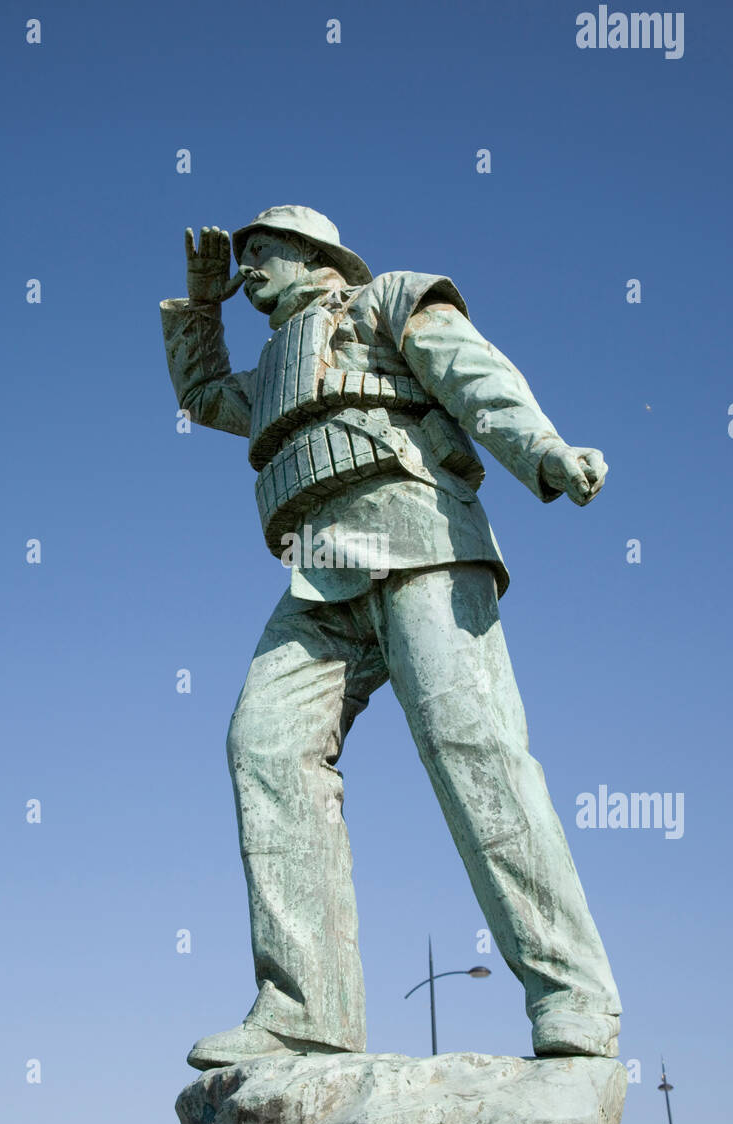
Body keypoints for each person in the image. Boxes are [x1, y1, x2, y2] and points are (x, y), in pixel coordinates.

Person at [160, 206, 622, 1069]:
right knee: (264, 746)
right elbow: (199, 396)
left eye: (264, 252)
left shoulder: (390, 301)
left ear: (317, 258)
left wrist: (545, 452)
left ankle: (575, 1000)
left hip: (421, 541)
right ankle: (307, 1011)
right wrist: (200, 306)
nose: (247, 265)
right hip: (318, 572)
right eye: (244, 254)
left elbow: (478, 379)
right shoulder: (269, 372)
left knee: (473, 753)